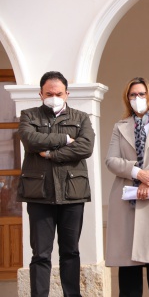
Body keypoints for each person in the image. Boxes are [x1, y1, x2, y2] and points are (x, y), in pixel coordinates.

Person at [17, 71, 95, 297]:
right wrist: (64, 139)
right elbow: (30, 141)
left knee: (70, 252)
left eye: (58, 93)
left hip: (72, 193)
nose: (54, 97)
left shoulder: (81, 118)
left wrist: (51, 155)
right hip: (39, 194)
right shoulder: (28, 115)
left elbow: (85, 148)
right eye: (49, 93)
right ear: (40, 94)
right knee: (41, 254)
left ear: (67, 94)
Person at [105, 77, 149, 297]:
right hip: (128, 202)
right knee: (129, 285)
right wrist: (138, 172)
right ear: (127, 99)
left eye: (142, 94)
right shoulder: (120, 126)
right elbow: (111, 160)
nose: (138, 98)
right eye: (133, 95)